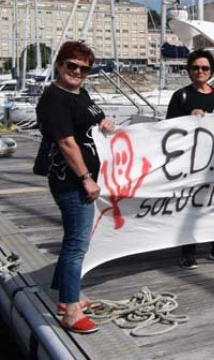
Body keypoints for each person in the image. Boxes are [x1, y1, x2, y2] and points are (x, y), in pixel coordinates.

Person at [36, 41, 115, 334]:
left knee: (76, 239)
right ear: (59, 65)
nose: (77, 72)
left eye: (84, 69)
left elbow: (91, 119)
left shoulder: (79, 94)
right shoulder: (54, 98)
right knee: (77, 244)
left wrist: (103, 122)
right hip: (70, 181)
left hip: (82, 180)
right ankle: (70, 311)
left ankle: (64, 296)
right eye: (72, 66)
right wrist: (85, 178)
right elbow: (66, 142)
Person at [166, 49, 214, 269]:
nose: (200, 71)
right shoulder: (181, 96)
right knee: (190, 205)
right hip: (191, 161)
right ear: (189, 70)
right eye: (195, 67)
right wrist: (189, 118)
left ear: (211, 70)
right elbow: (168, 128)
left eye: (205, 68)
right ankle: (188, 252)